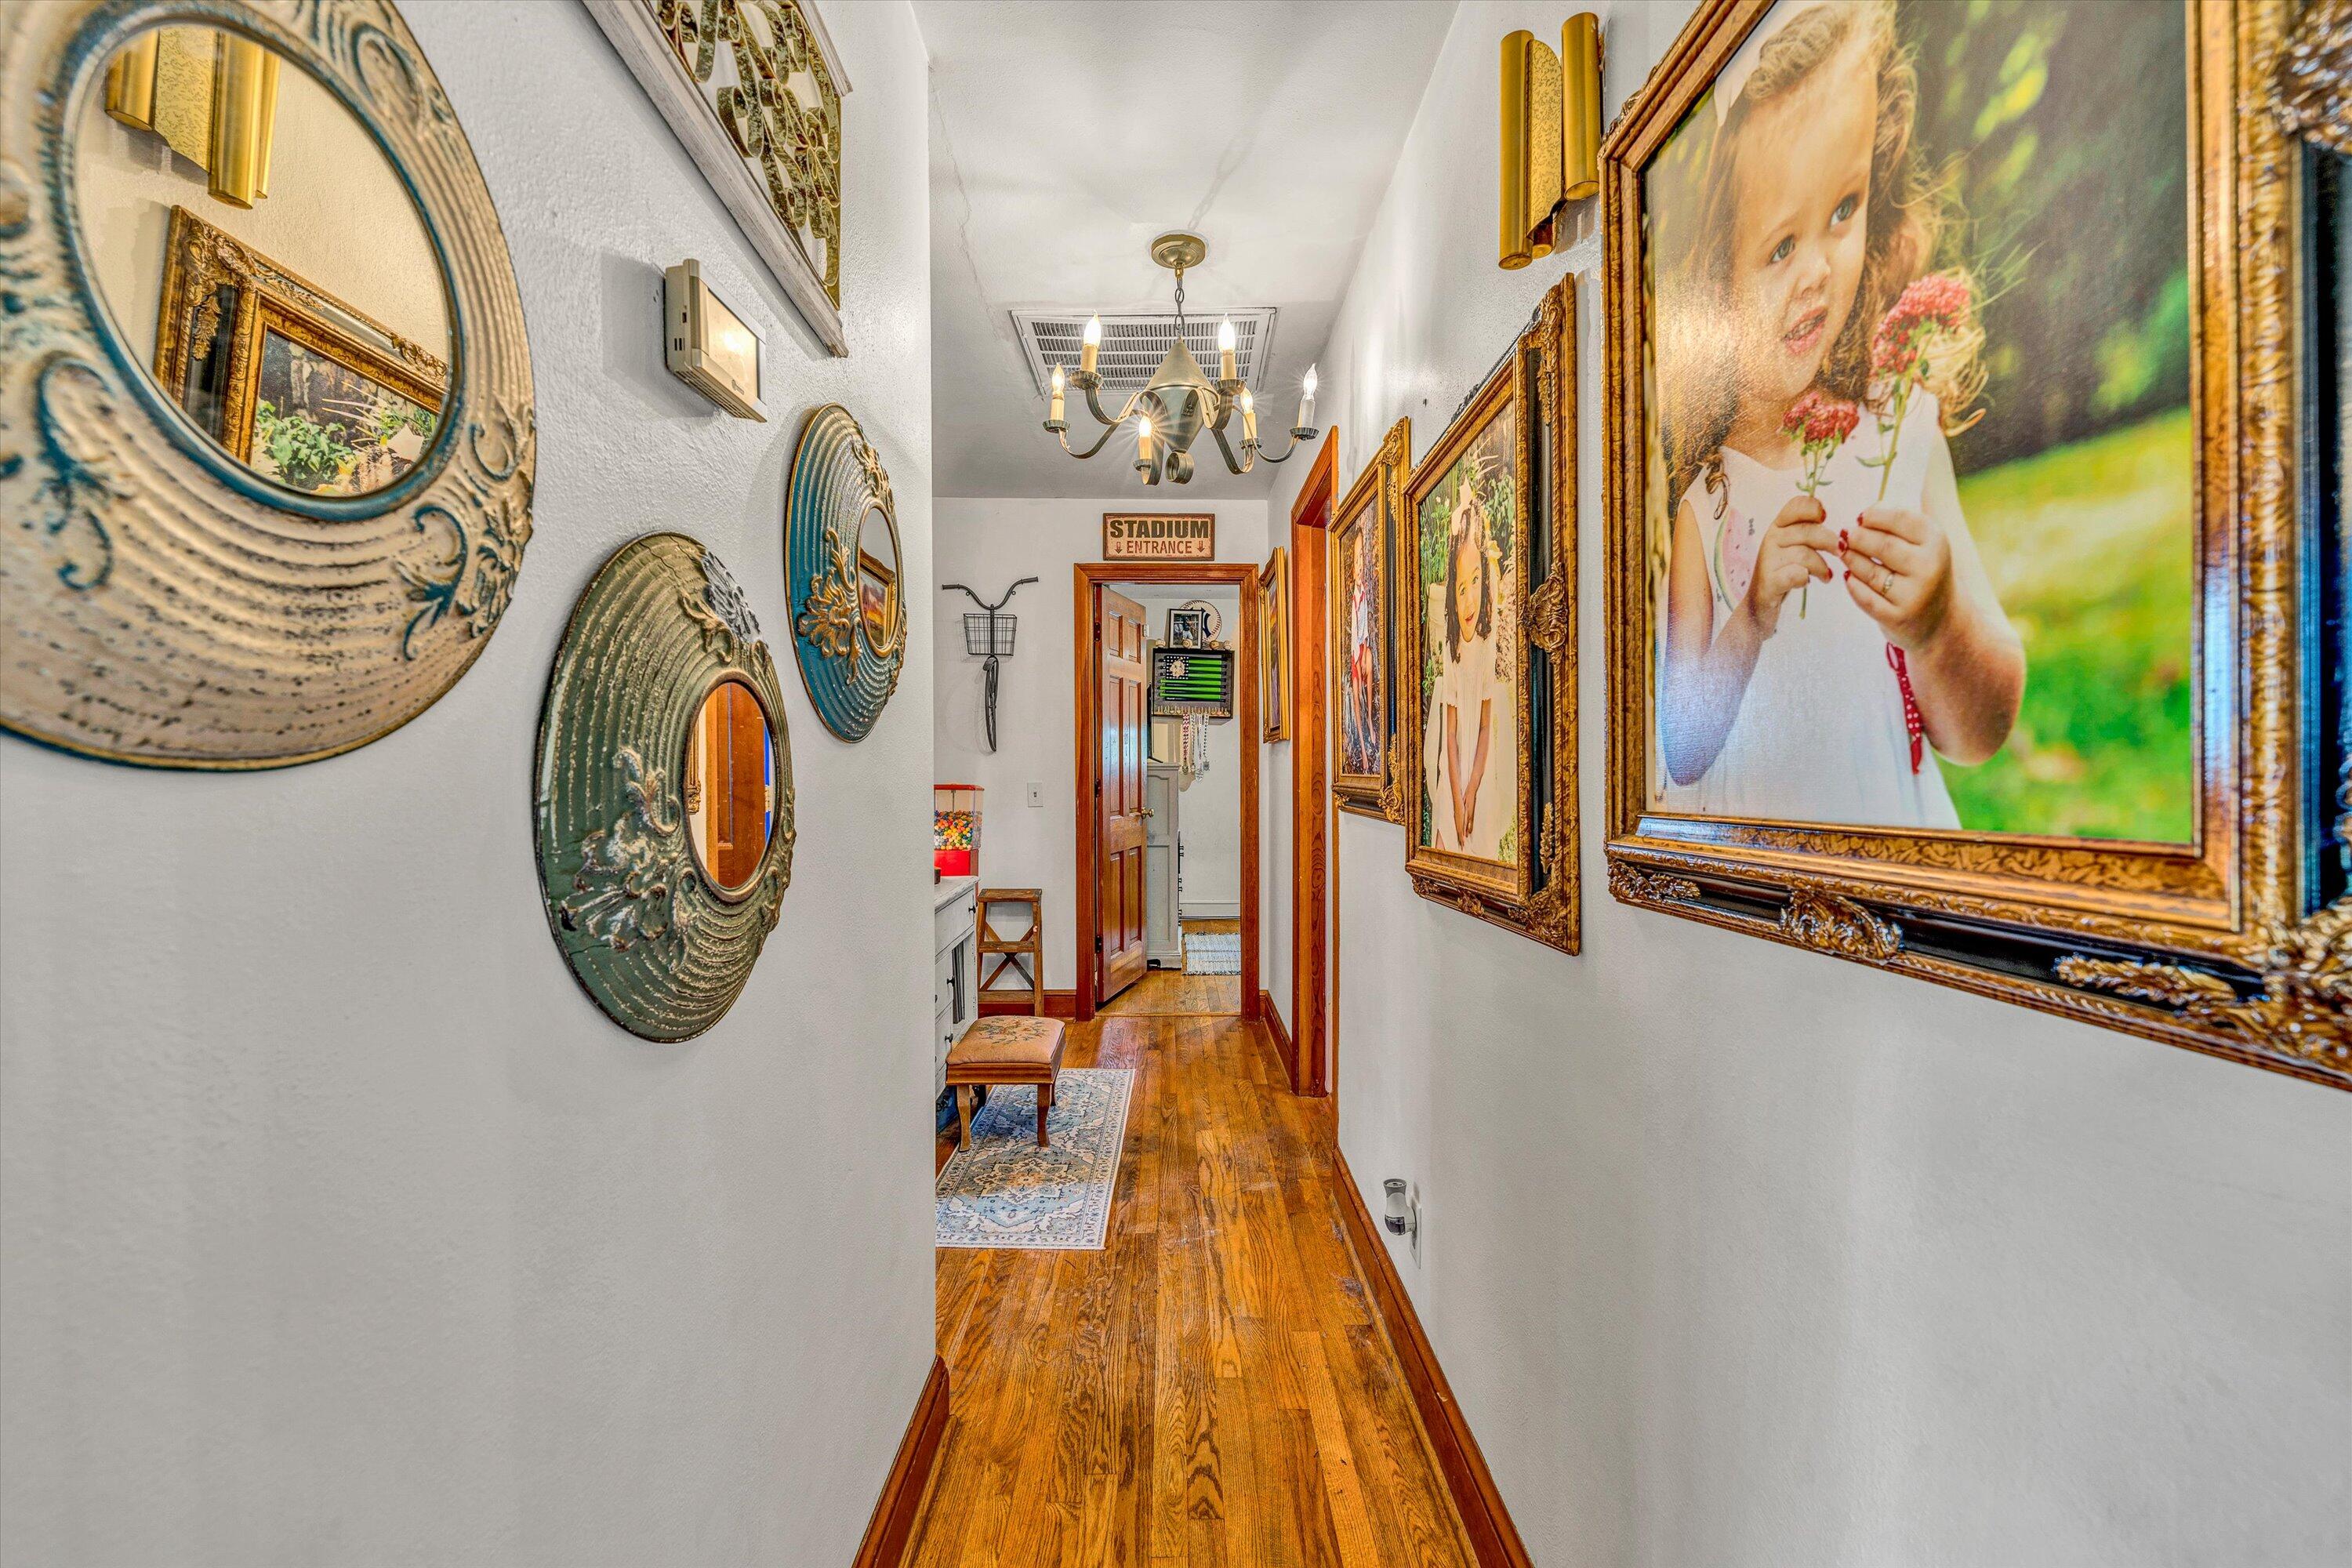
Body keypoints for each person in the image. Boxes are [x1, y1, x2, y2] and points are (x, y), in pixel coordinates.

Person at [1652, 0, 2023, 829]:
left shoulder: (1900, 436)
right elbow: (1682, 745)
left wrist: (1937, 623)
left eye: (1844, 209)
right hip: (1756, 888)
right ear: (1713, 283)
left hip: (1892, 852)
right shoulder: (1706, 507)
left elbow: (1982, 730)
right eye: (1780, 247)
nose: (1818, 271)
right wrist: (1749, 613)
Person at [1423, 474, 1515, 862]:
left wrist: (1473, 788)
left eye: (1476, 582)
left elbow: (1483, 727)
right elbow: (1452, 732)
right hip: (1454, 763)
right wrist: (1457, 797)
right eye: (1461, 588)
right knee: (1448, 837)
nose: (1469, 598)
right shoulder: (1453, 650)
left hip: (1479, 766)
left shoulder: (1486, 647)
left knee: (1479, 845)